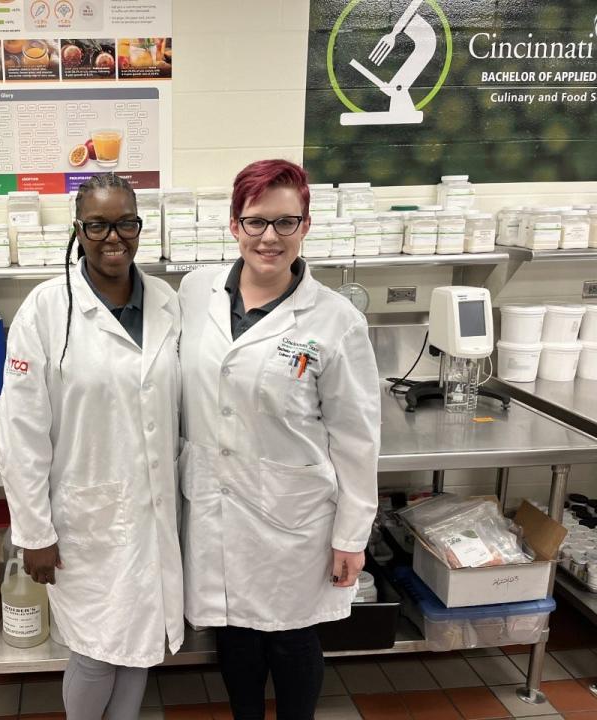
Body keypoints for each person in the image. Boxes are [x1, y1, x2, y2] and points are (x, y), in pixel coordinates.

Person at [177, 159, 381, 720]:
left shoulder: (336, 321)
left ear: (306, 227)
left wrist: (351, 535)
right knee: (234, 636)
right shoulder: (196, 293)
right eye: (256, 221)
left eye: (285, 222)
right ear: (234, 225)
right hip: (214, 504)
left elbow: (358, 438)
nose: (269, 237)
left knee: (291, 639)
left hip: (293, 517)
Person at [0, 174, 184, 720]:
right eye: (98, 224)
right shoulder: (46, 310)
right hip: (84, 518)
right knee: (97, 652)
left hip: (152, 512)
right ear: (78, 231)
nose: (113, 237)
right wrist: (33, 532)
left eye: (126, 223)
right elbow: (21, 430)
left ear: (139, 228)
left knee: (139, 646)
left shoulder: (167, 304)